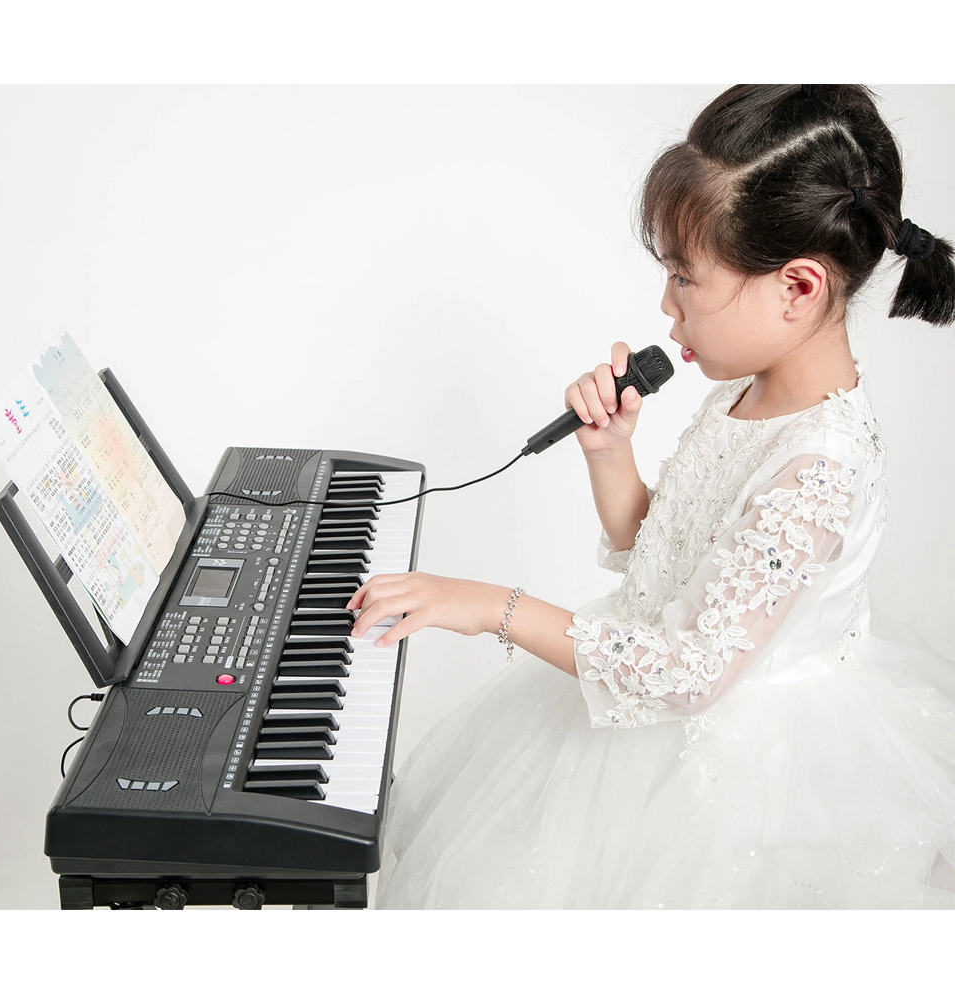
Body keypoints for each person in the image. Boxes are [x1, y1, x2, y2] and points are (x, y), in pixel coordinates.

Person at [348, 84, 955, 908]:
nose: (667, 306)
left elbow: (686, 671)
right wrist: (611, 452)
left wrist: (491, 606)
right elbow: (667, 559)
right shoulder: (749, 390)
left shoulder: (819, 465)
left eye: (684, 277)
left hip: (736, 784)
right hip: (650, 704)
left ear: (799, 288)